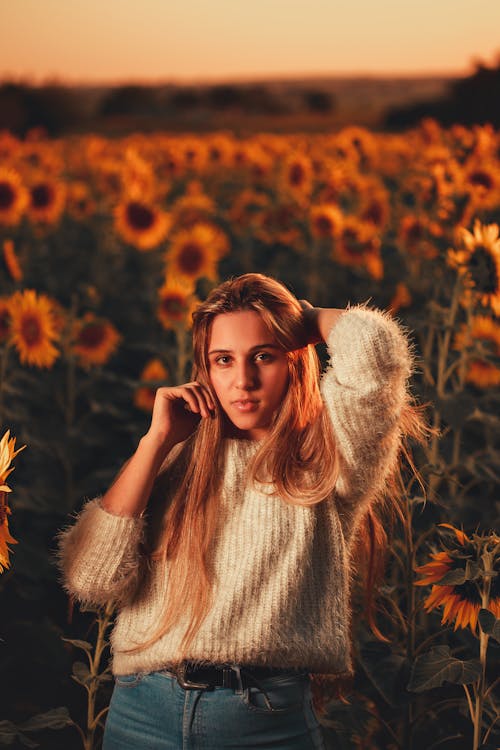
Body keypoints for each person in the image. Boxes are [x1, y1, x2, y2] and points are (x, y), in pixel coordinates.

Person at [57, 272, 424, 750]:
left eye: (264, 356)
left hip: (263, 722)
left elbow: (376, 354)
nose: (243, 380)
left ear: (294, 360)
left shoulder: (329, 461)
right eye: (223, 360)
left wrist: (308, 320)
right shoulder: (174, 459)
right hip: (140, 713)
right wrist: (155, 443)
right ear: (204, 370)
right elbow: (90, 579)